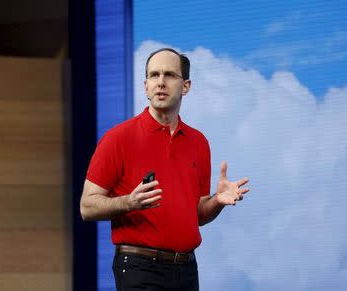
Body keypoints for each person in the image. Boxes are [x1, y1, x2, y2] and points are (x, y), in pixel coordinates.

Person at [80, 47, 250, 291]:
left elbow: (198, 215)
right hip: (139, 267)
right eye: (154, 75)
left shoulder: (198, 142)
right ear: (145, 86)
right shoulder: (118, 138)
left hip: (186, 268)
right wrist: (130, 202)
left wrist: (217, 202)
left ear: (186, 86)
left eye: (170, 75)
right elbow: (87, 207)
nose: (161, 82)